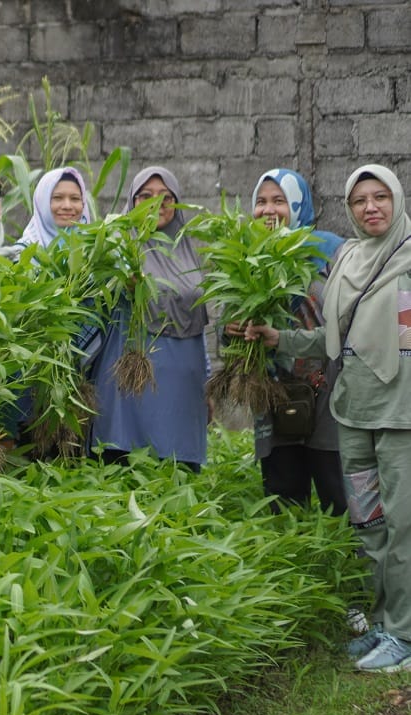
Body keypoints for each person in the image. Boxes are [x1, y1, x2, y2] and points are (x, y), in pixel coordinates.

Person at [239, 164, 411, 672]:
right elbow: (331, 337)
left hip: (400, 415)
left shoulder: (407, 258)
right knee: (369, 522)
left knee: (402, 525)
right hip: (352, 414)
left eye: (380, 197)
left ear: (397, 200)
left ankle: (404, 633)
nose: (370, 207)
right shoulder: (349, 259)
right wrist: (281, 339)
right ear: (349, 209)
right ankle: (382, 621)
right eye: (359, 200)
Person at [91, 166, 209, 470]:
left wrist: (207, 378)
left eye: (165, 197)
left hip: (183, 387)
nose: (156, 204)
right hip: (131, 382)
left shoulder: (188, 252)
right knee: (125, 464)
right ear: (132, 202)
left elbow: (200, 326)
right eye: (146, 196)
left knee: (178, 471)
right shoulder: (117, 247)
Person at [248, 168, 346, 514]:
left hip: (329, 388)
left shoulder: (331, 251)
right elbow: (226, 338)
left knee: (339, 491)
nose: (268, 210)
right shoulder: (248, 257)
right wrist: (233, 330)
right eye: (261, 201)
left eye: (279, 201)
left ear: (298, 205)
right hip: (275, 389)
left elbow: (349, 320)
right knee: (283, 495)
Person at [16, 166, 93, 248]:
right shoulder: (23, 251)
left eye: (75, 198)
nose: (67, 206)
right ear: (42, 203)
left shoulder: (93, 247)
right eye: (58, 198)